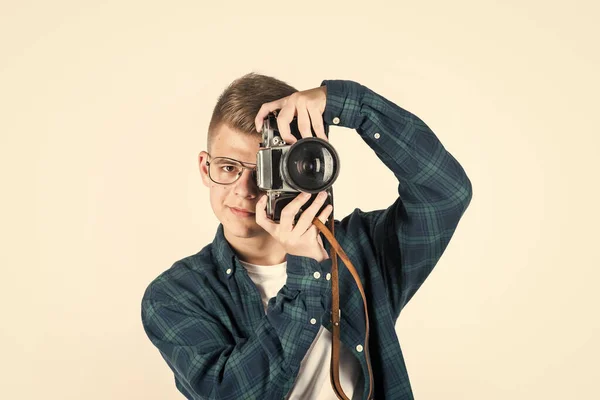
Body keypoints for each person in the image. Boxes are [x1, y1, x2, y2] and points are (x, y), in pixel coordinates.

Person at [141, 73, 473, 400]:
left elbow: (445, 193)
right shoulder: (175, 295)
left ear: (301, 169)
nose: (243, 190)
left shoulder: (359, 251)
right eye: (228, 168)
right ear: (205, 168)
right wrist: (306, 269)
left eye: (265, 171)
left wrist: (349, 104)